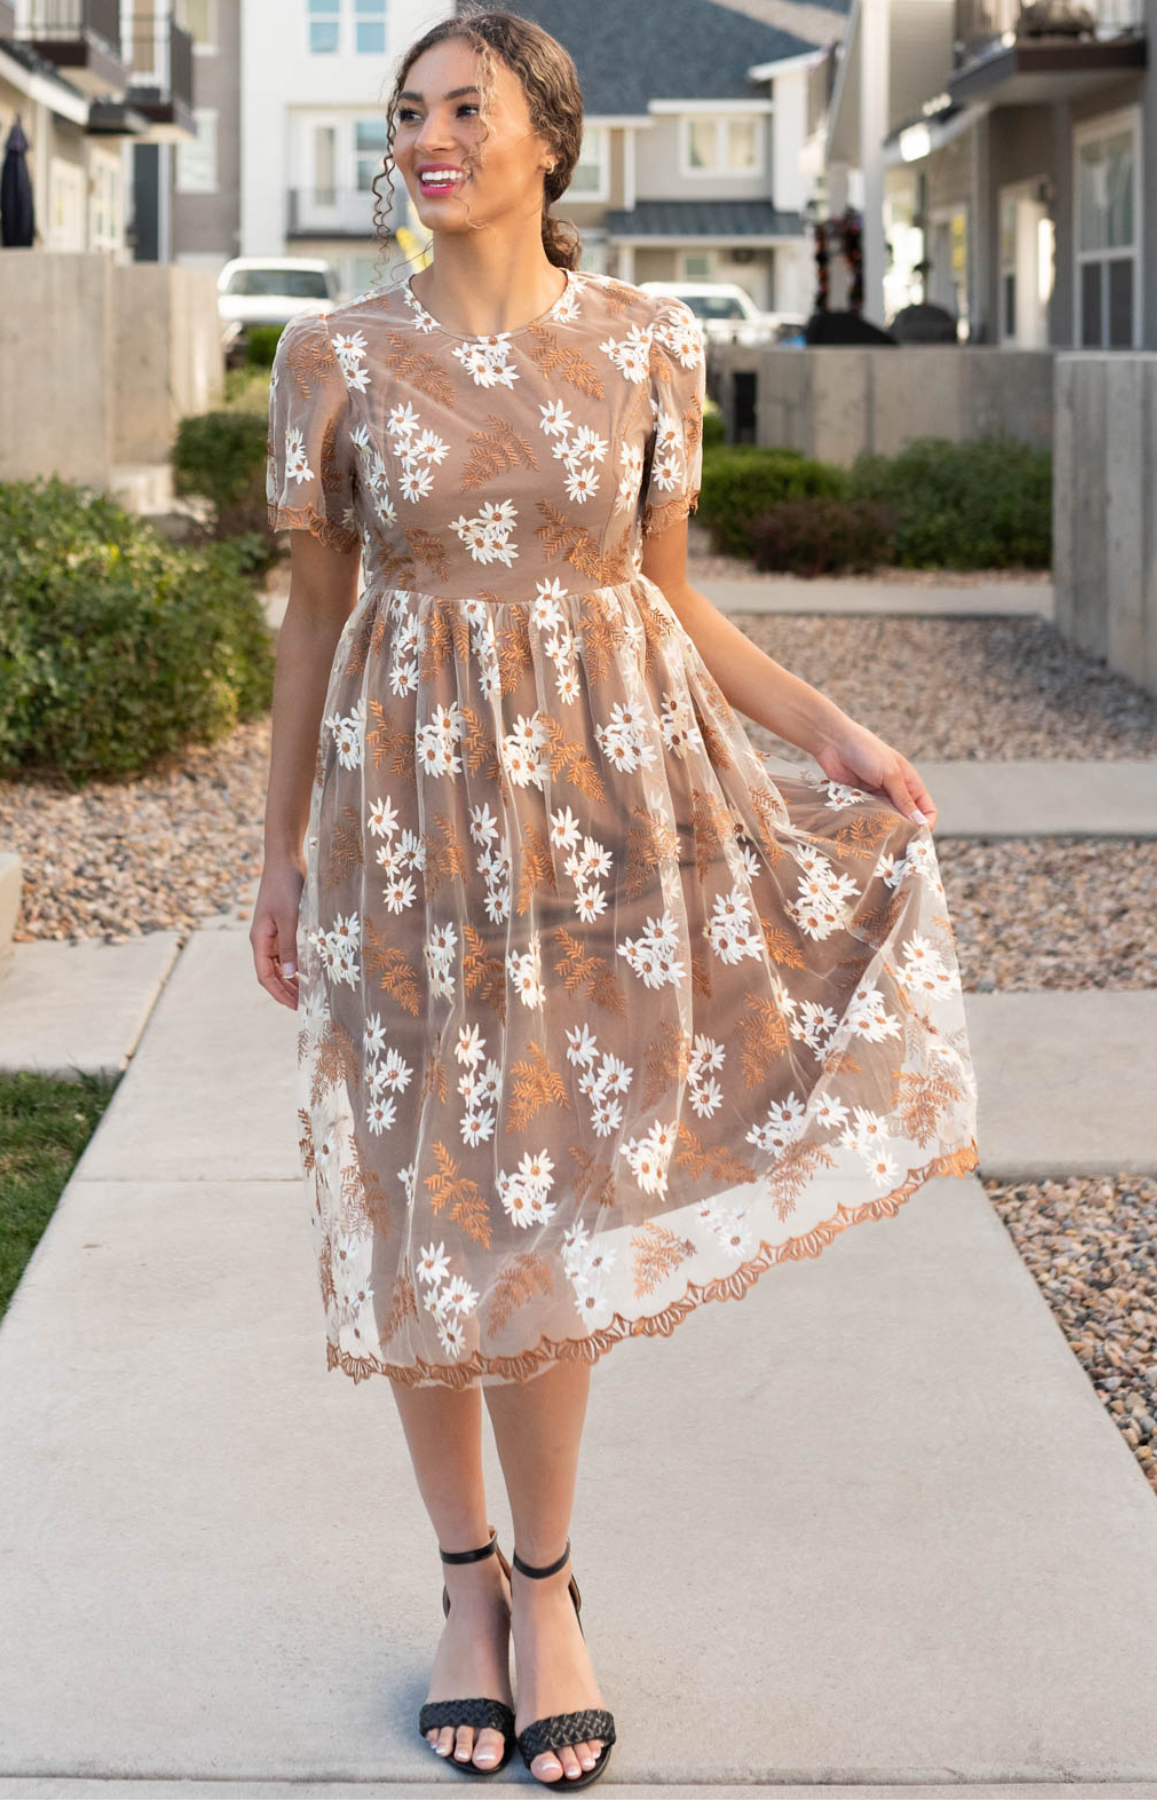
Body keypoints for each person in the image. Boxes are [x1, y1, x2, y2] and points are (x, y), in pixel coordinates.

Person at [251, 9, 980, 1787]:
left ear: (547, 139)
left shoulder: (648, 346)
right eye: (406, 111)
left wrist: (836, 731)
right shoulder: (329, 354)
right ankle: (463, 1590)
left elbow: (671, 606)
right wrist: (275, 854)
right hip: (405, 826)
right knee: (428, 1199)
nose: (427, 136)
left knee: (548, 1197)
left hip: (593, 821)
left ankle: (554, 1585)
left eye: (463, 107)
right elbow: (314, 625)